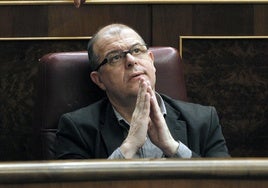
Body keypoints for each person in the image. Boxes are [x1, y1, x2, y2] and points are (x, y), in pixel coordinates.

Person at [54, 23, 230, 159]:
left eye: (137, 50)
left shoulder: (204, 120)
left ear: (152, 61)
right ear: (99, 79)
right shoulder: (77, 129)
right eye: (115, 57)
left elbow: (225, 183)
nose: (131, 60)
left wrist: (172, 148)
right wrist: (128, 147)